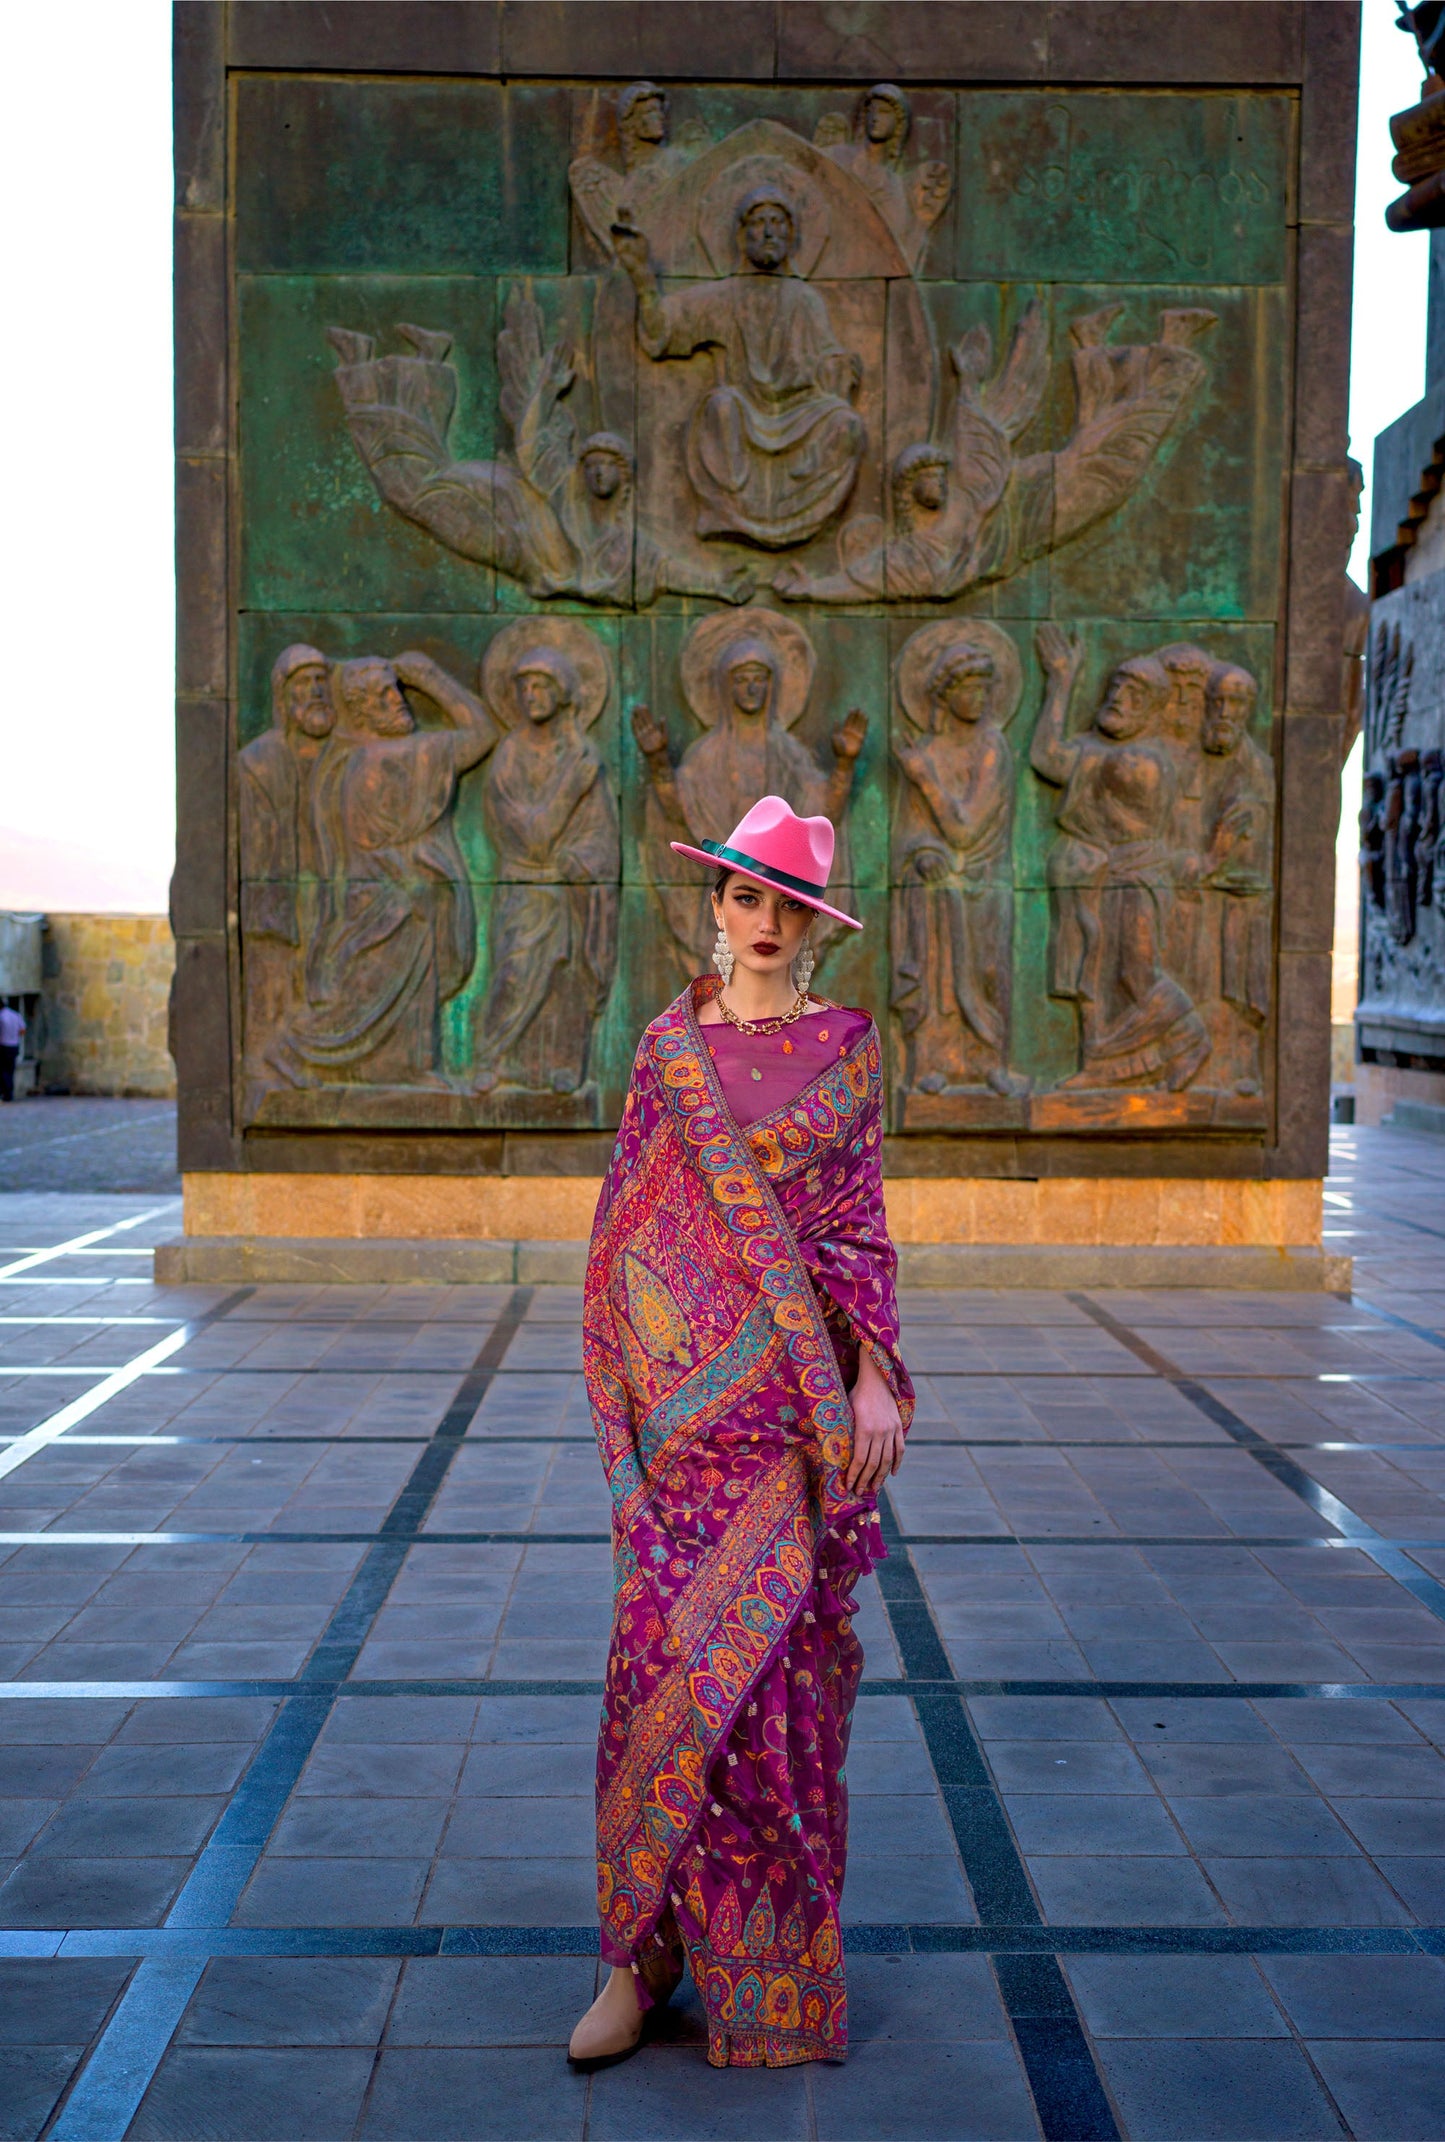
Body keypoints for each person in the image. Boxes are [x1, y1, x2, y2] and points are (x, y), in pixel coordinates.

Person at [572, 795, 912, 2072]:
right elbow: (625, 1233)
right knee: (652, 1684)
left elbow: (858, 1228)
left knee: (771, 1695)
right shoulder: (668, 1050)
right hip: (676, 1424)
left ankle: (767, 1976)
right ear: (713, 905)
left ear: (813, 926)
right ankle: (630, 1961)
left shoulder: (845, 1049)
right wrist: (638, 1403)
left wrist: (872, 1376)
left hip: (787, 1425)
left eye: (786, 905)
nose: (762, 923)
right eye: (743, 897)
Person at [0, 1000, 25, 1103]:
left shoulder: (1, 1016)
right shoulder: (15, 1015)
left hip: (3, 1045)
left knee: (3, 1071)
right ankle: (9, 1092)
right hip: (14, 1045)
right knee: (10, 1070)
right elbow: (23, 1030)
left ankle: (6, 1092)